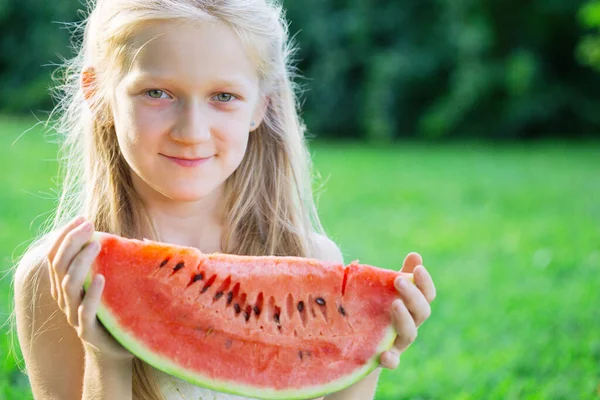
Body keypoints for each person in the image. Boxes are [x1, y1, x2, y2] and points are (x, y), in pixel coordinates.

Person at [11, 0, 437, 399]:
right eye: (157, 93)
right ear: (97, 94)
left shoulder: (310, 257)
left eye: (223, 97)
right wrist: (109, 360)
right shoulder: (58, 276)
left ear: (259, 106)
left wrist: (367, 349)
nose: (192, 130)